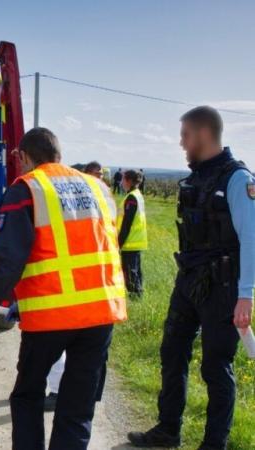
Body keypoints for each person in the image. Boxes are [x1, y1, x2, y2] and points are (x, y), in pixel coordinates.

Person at [0, 127, 127, 450]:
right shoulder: (98, 188)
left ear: (24, 157)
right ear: (59, 154)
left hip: (52, 318)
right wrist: (18, 298)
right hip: (101, 313)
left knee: (28, 395)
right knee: (78, 406)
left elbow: (5, 266)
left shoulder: (27, 189)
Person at [128, 106, 254, 450]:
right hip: (189, 283)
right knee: (172, 354)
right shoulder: (197, 177)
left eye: (185, 135)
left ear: (202, 134)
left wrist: (246, 295)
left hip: (224, 289)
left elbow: (251, 239)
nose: (181, 142)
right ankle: (168, 430)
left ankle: (215, 444)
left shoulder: (238, 179)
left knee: (215, 367)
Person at [118, 170, 148, 297]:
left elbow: (126, 224)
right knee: (135, 271)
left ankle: (135, 296)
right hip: (135, 242)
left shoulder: (131, 198)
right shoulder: (137, 194)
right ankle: (138, 293)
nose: (121, 182)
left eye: (123, 179)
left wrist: (118, 243)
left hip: (130, 242)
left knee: (130, 272)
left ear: (129, 181)